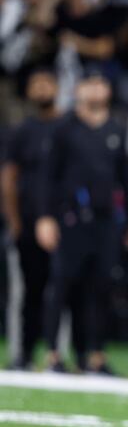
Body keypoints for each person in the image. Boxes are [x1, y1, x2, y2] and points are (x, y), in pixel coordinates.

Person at [36, 72, 128, 373]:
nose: (98, 90)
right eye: (92, 84)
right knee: (62, 286)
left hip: (106, 221)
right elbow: (48, 177)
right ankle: (53, 354)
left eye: (102, 84)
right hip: (70, 219)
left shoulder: (115, 128)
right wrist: (45, 217)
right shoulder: (63, 128)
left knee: (101, 287)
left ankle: (94, 353)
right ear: (78, 89)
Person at [0, 68, 59, 369]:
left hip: (63, 224)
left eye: (46, 82)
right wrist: (14, 220)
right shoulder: (21, 131)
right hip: (28, 220)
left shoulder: (67, 128)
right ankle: (22, 354)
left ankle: (57, 355)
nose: (41, 89)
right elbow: (9, 177)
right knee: (27, 293)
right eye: (36, 84)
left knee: (63, 292)